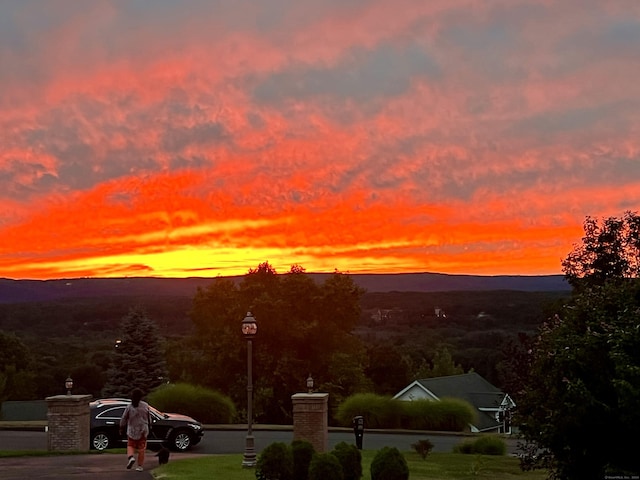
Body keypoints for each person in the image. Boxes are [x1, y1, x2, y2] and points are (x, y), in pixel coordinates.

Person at [119, 388, 150, 471]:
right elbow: (149, 417)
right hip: (143, 430)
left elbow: (124, 418)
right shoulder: (145, 405)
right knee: (141, 448)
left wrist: (121, 427)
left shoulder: (129, 406)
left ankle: (131, 457)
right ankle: (139, 466)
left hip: (132, 430)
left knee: (130, 445)